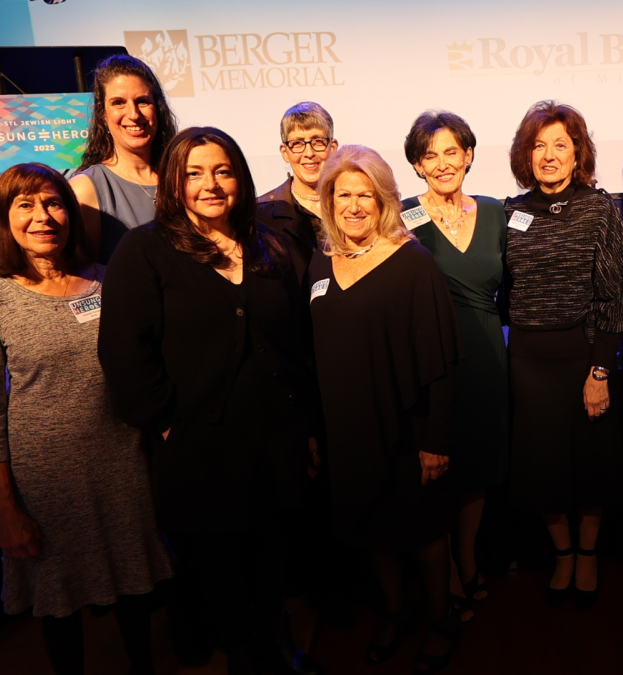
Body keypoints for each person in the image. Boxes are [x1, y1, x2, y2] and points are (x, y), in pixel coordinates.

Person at [97, 127, 320, 674]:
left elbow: (298, 342)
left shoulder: (268, 242)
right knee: (220, 571)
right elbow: (124, 354)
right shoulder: (145, 249)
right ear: (173, 183)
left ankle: (278, 652)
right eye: (194, 173)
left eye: (222, 171)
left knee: (272, 560)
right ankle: (245, 660)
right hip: (200, 449)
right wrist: (167, 424)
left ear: (239, 177)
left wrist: (307, 425)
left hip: (274, 439)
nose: (210, 184)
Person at [0, 163, 172, 675]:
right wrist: (5, 510)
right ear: (3, 218)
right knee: (60, 603)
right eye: (25, 205)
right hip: (46, 479)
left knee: (136, 596)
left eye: (53, 203)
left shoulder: (105, 279)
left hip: (123, 463)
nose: (42, 216)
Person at [306, 145, 463, 673]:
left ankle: (441, 619)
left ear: (384, 200)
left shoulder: (412, 262)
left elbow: (442, 360)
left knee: (421, 533)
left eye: (364, 195)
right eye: (342, 194)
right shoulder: (319, 260)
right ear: (328, 200)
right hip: (349, 430)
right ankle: (397, 613)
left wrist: (436, 438)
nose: (353, 206)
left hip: (407, 426)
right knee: (372, 531)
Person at [503, 100, 623, 609]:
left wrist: (600, 369)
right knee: (541, 469)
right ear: (526, 153)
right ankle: (561, 553)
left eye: (560, 144)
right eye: (539, 145)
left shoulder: (598, 207)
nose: (549, 155)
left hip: (583, 360)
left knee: (591, 468)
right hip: (526, 365)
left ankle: (587, 553)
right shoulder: (511, 212)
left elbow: (617, 296)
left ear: (577, 151)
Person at [399, 110, 509, 622]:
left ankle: (467, 557)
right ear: (417, 165)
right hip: (430, 356)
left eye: (451, 152)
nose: (442, 163)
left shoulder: (497, 212)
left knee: (479, 466)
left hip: (488, 354)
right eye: (429, 155)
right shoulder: (399, 216)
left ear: (468, 155)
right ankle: (440, 572)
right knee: (436, 466)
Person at [70, 54, 179, 263]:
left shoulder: (183, 176)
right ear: (102, 113)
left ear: (158, 107)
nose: (133, 114)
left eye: (142, 102)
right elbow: (81, 280)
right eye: (118, 103)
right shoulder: (86, 189)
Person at [256, 101, 339, 286]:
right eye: (298, 143)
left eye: (317, 142)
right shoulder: (260, 215)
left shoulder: (353, 206)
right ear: (285, 152)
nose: (308, 153)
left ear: (332, 147)